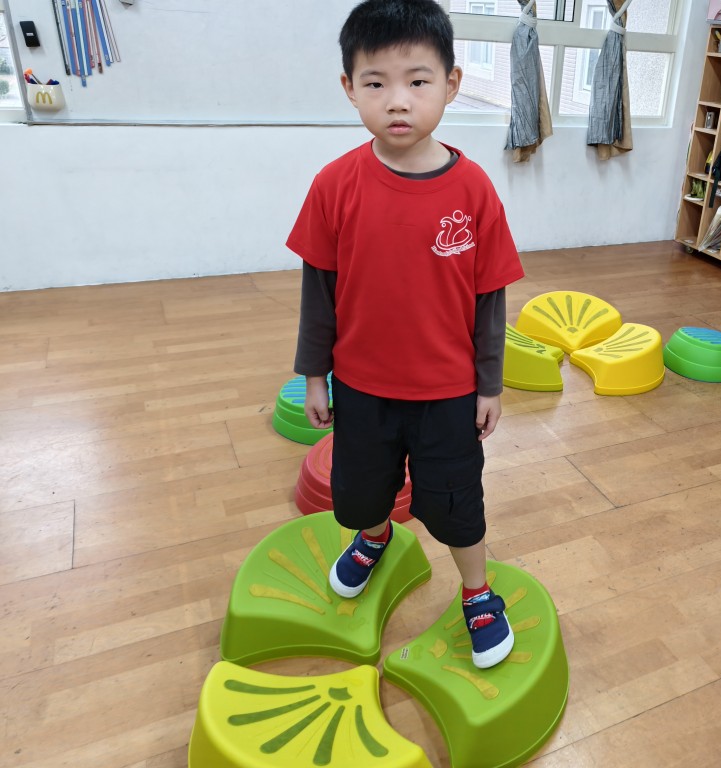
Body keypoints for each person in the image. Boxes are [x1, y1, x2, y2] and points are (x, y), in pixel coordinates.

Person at [286, 0, 524, 670]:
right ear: (349, 88)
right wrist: (314, 374)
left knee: (457, 501)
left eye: (418, 81)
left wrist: (489, 384)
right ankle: (374, 538)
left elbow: (490, 299)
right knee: (362, 490)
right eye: (376, 82)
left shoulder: (474, 190)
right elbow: (318, 292)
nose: (398, 100)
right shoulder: (334, 185)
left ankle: (477, 591)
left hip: (448, 392)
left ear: (451, 83)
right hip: (363, 387)